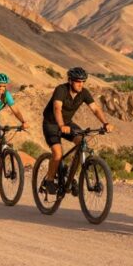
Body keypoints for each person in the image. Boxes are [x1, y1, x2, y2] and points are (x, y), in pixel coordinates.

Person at [40, 67, 113, 195]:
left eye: (83, 81)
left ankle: (70, 176)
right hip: (51, 124)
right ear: (70, 81)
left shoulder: (84, 93)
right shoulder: (61, 90)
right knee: (57, 154)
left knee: (82, 143)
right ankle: (49, 180)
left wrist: (105, 123)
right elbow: (57, 108)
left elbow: (95, 109)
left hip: (67, 123)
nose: (81, 84)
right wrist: (61, 125)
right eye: (78, 81)